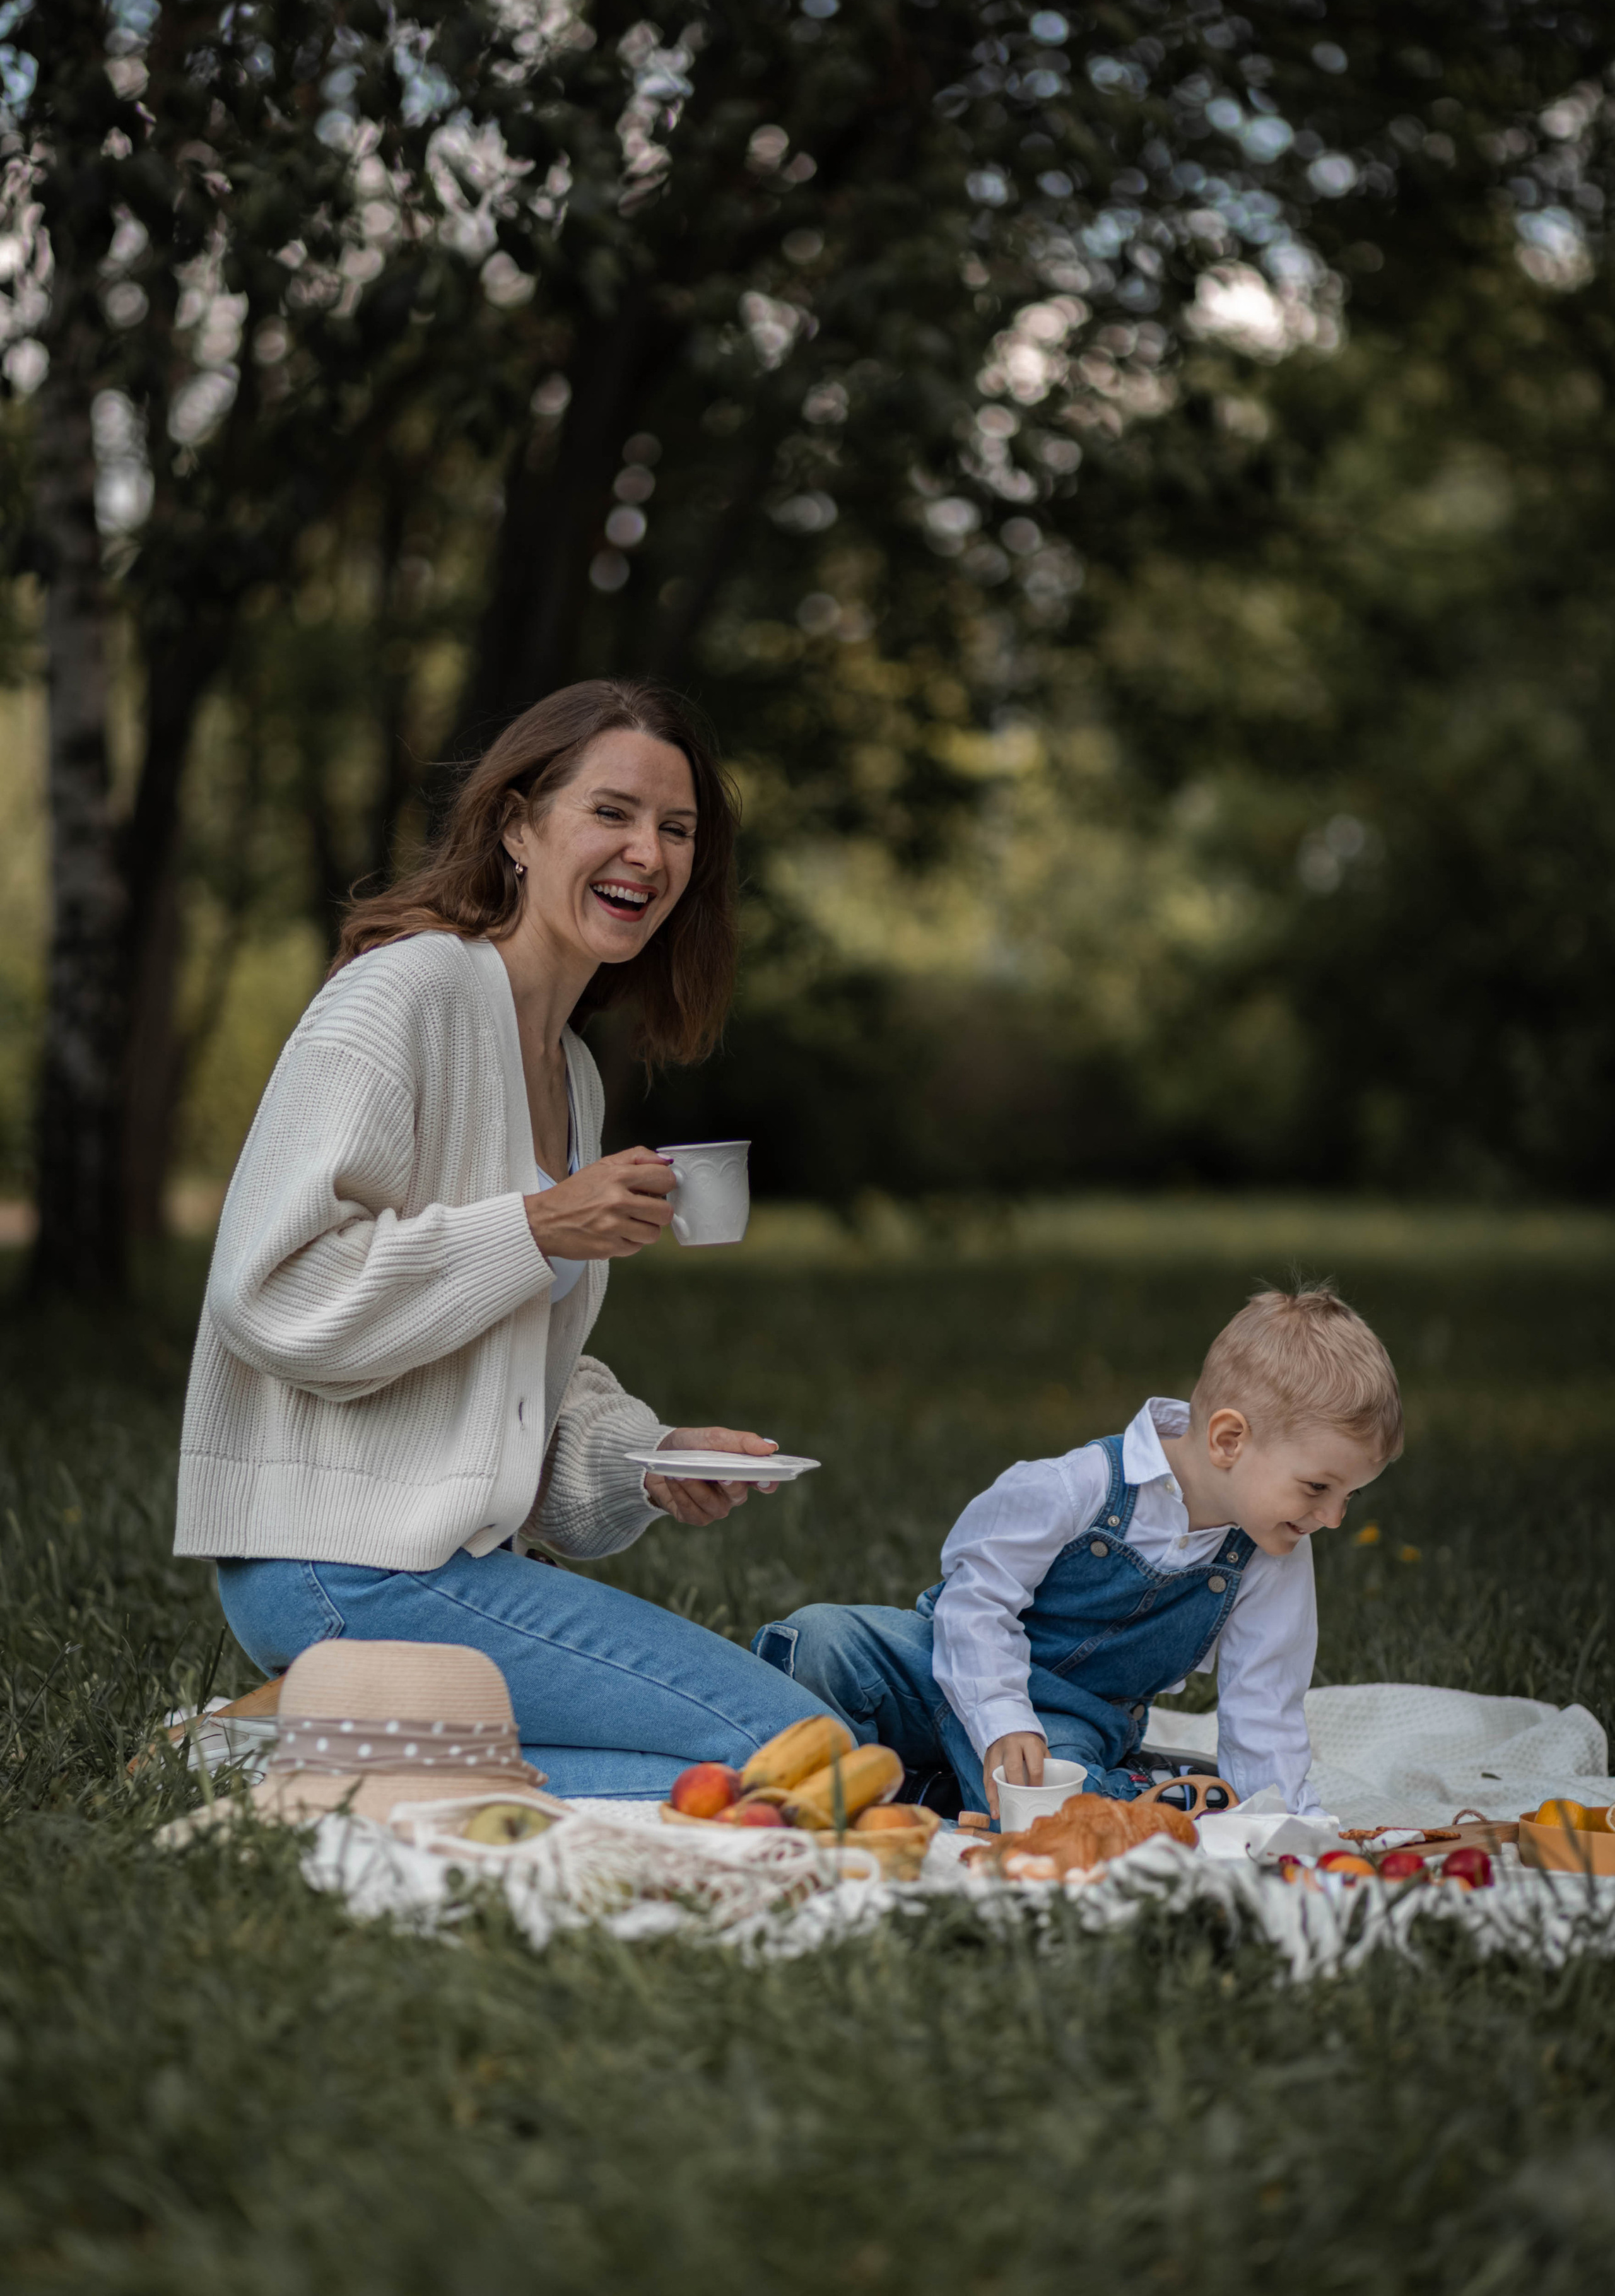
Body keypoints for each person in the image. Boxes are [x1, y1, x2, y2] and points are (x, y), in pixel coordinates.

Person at [175, 679, 833, 1798]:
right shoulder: (406, 994)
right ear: (519, 827)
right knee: (788, 1755)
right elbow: (273, 1292)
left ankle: (316, 1750)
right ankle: (309, 1746)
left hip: (442, 1558)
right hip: (343, 1564)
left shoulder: (569, 1072)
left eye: (677, 830)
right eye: (613, 813)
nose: (649, 853)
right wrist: (535, 1225)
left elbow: (514, 1375)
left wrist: (647, 1460)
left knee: (799, 1758)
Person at [753, 1286, 1402, 1820]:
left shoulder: (1270, 1553)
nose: (1333, 1518)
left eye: (1349, 1496)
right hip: (942, 1666)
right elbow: (975, 1598)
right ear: (1229, 1439)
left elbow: (1264, 1705)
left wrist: (1283, 1822)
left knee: (1048, 1808)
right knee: (817, 1639)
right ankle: (935, 1782)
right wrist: (1002, 1718)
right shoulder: (1078, 1486)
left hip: (1071, 1719)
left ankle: (1114, 1803)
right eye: (1319, 1488)